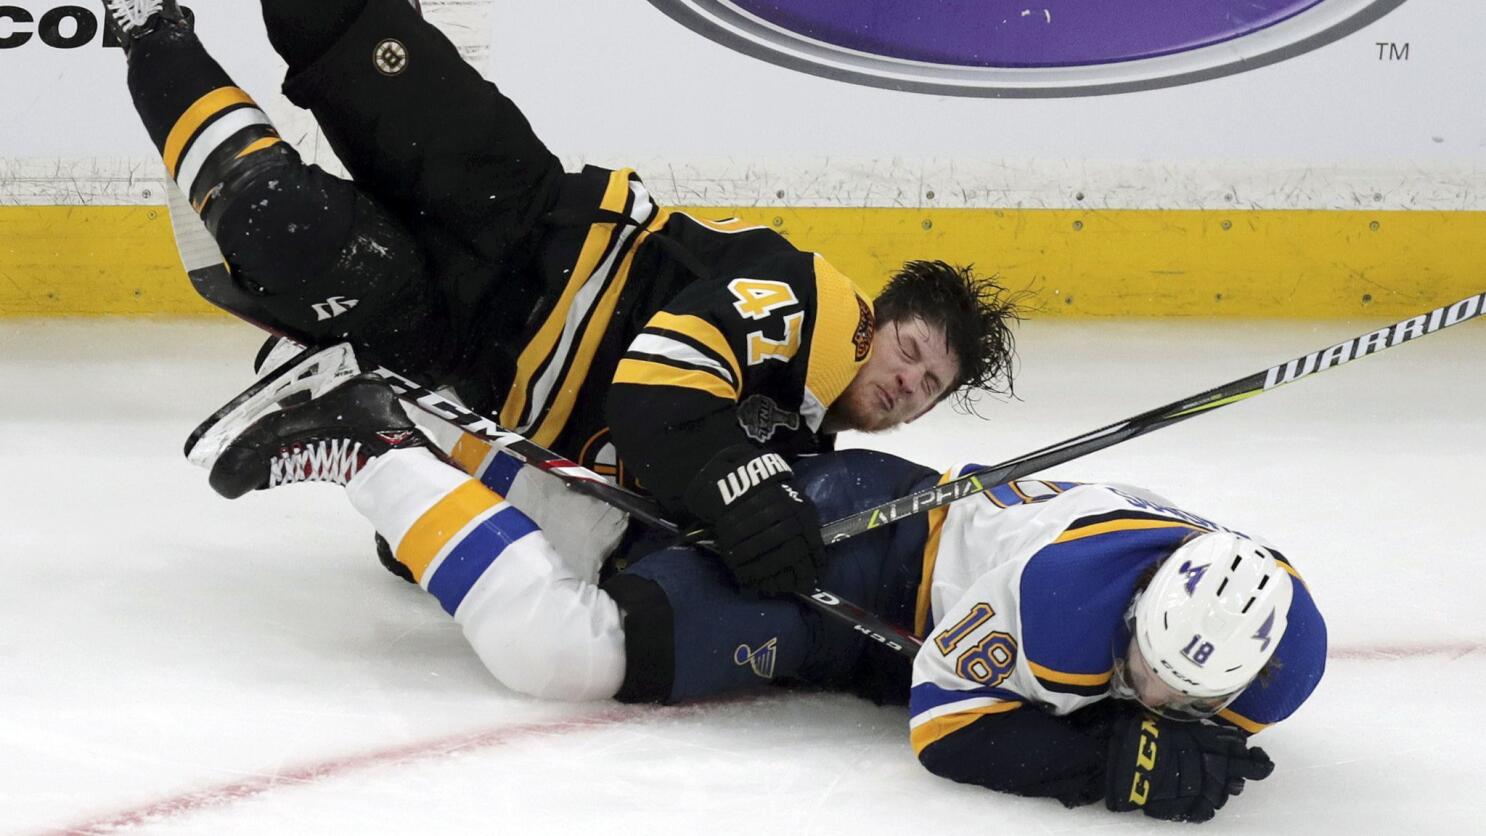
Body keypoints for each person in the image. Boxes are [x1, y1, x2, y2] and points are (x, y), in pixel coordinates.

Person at [104, 0, 1021, 597]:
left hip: (448, 342)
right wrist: (741, 493)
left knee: (273, 217)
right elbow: (663, 378)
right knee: (333, 20)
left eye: (931, 386)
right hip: (519, 213)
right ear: (877, 320)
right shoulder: (817, 312)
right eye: (909, 351)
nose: (909, 383)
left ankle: (145, 25)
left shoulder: (793, 453)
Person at [199, 357, 1326, 825]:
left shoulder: (1278, 651)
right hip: (865, 548)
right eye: (1139, 660)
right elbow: (946, 722)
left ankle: (421, 421)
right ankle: (372, 448)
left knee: (618, 546)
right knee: (574, 645)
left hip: (898, 514)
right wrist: (1112, 761)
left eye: (1169, 688)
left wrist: (1145, 720)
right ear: (1135, 612)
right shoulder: (1063, 595)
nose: (1142, 684)